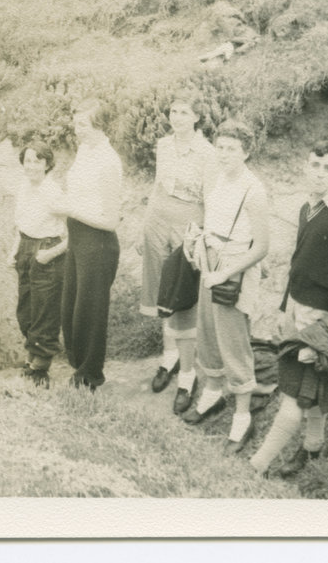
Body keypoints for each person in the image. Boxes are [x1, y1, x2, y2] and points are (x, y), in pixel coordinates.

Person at [249, 141, 328, 477]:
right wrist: (285, 307)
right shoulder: (307, 208)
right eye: (314, 165)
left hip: (319, 321)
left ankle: (256, 465)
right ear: (305, 166)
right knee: (313, 388)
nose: (319, 173)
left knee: (294, 395)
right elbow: (298, 265)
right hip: (297, 312)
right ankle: (313, 447)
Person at [180, 121, 270, 456]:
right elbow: (214, 222)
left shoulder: (254, 190)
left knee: (233, 340)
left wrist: (224, 274)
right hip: (209, 260)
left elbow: (260, 247)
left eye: (232, 148)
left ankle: (243, 416)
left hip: (234, 268)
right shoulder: (218, 180)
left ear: (246, 151)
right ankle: (213, 393)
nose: (224, 154)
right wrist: (196, 240)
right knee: (207, 331)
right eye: (220, 147)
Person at [139, 91, 217, 414]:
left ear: (197, 117)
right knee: (161, 291)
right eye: (173, 111)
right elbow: (157, 185)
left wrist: (202, 239)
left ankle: (187, 377)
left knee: (182, 294)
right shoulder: (163, 145)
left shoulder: (208, 153)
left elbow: (209, 200)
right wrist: (144, 225)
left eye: (184, 112)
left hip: (189, 223)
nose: (177, 117)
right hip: (158, 218)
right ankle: (168, 359)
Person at [49, 99, 123, 392]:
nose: (75, 129)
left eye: (82, 124)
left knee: (90, 312)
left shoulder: (109, 161)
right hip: (79, 238)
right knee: (71, 309)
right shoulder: (84, 150)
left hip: (98, 243)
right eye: (76, 122)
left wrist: (70, 210)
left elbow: (111, 220)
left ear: (100, 126)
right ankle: (79, 367)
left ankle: (90, 375)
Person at [6, 142, 68, 388]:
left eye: (37, 161)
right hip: (25, 247)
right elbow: (21, 226)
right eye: (28, 161)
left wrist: (51, 253)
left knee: (45, 311)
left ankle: (40, 370)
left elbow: (74, 230)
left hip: (47, 250)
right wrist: (14, 252)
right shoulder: (23, 187)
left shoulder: (53, 191)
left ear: (47, 164)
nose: (31, 166)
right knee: (27, 310)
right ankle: (32, 358)